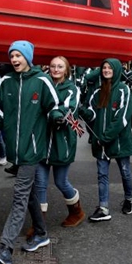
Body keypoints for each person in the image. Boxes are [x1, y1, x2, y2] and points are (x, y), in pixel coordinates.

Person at [0, 41, 60, 264]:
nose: (14, 59)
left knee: (20, 196)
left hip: (33, 149)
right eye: (12, 55)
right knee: (31, 194)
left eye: (18, 55)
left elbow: (54, 105)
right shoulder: (5, 81)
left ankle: (5, 248)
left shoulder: (41, 80)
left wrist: (57, 115)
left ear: (28, 57)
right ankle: (42, 233)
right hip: (16, 148)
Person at [78, 58, 132, 222]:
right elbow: (92, 114)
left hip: (118, 141)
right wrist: (81, 110)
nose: (106, 70)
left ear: (116, 70)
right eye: (104, 67)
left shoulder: (124, 90)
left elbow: (122, 118)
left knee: (125, 172)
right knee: (102, 174)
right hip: (100, 142)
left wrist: (106, 137)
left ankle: (129, 199)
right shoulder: (97, 92)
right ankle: (103, 207)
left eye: (110, 67)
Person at [37, 55, 85, 228]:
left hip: (62, 140)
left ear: (66, 69)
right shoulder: (43, 85)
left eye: (60, 66)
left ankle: (76, 212)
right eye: (53, 66)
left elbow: (67, 108)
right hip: (43, 140)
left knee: (61, 182)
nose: (56, 69)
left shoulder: (72, 88)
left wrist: (56, 115)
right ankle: (39, 224)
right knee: (40, 183)